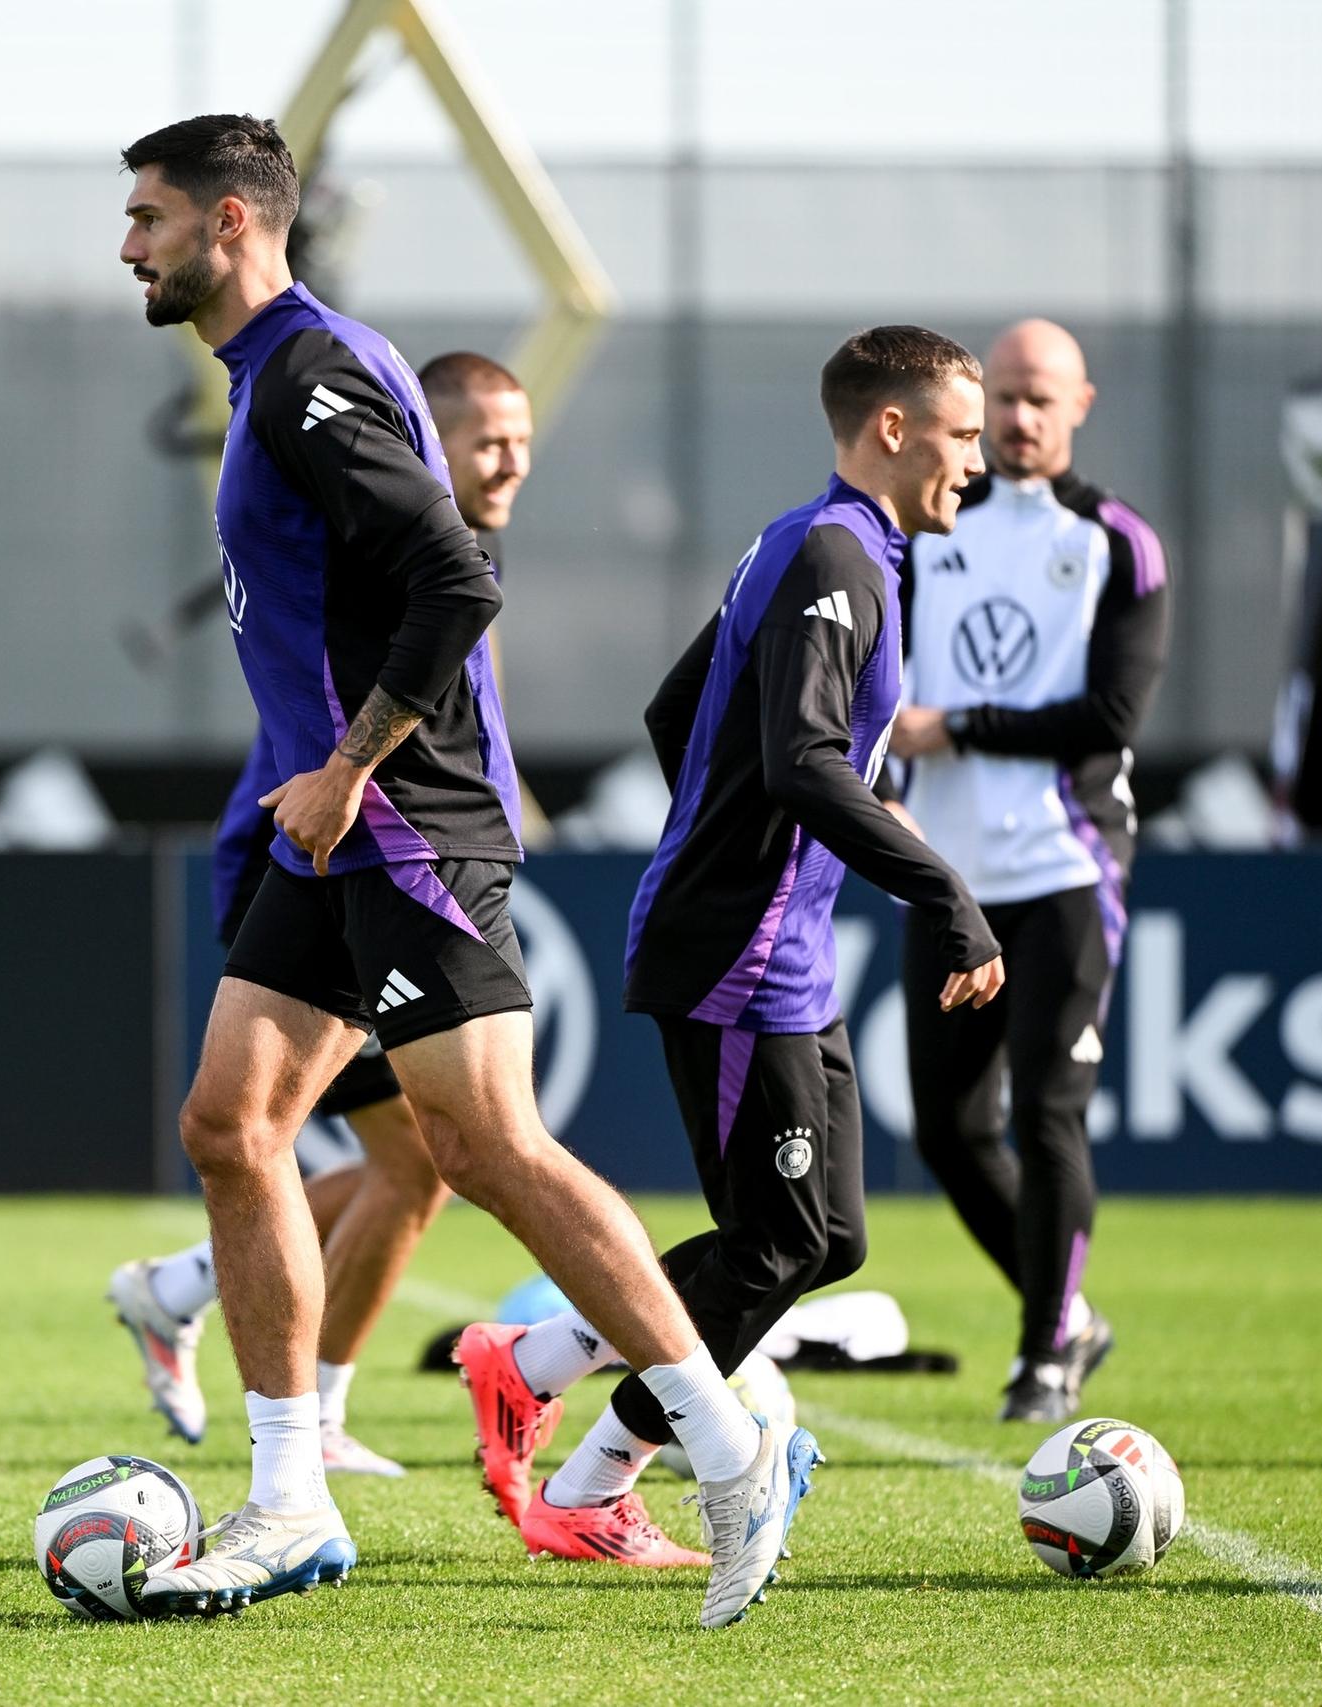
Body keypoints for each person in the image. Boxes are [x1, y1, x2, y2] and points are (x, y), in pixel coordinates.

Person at [116, 113, 810, 1630]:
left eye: (151, 218)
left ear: (236, 221)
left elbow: (456, 577)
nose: (129, 245)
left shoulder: (307, 372)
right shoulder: (263, 378)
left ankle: (723, 1437)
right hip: (334, 828)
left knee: (483, 1146)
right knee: (231, 1126)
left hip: (403, 819)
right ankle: (292, 1497)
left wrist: (350, 764)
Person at [460, 326, 1006, 1561]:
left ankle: (532, 1361)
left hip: (779, 948)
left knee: (829, 1238)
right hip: (735, 956)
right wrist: (941, 893)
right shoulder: (836, 555)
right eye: (963, 435)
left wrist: (738, 830)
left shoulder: (823, 544)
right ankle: (592, 1486)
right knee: (775, 1243)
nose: (975, 461)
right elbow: (806, 759)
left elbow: (683, 715)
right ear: (892, 428)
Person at [108, 353, 538, 1481]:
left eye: (523, 439)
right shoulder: (391, 546)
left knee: (394, 1157)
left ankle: (187, 1295)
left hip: (361, 858)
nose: (512, 460)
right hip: (301, 870)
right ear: (424, 442)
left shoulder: (454, 553)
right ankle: (313, 1410)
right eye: (487, 438)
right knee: (411, 1163)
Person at [886, 318, 1171, 1421]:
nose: (1016, 419)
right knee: (952, 1130)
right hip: (945, 873)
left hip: (1063, 865)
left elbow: (1109, 716)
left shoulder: (1116, 541)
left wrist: (954, 727)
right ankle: (1068, 1310)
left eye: (1038, 399)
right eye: (1001, 397)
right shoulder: (921, 527)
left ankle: (1043, 1353)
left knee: (1048, 1114)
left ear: (1079, 404)